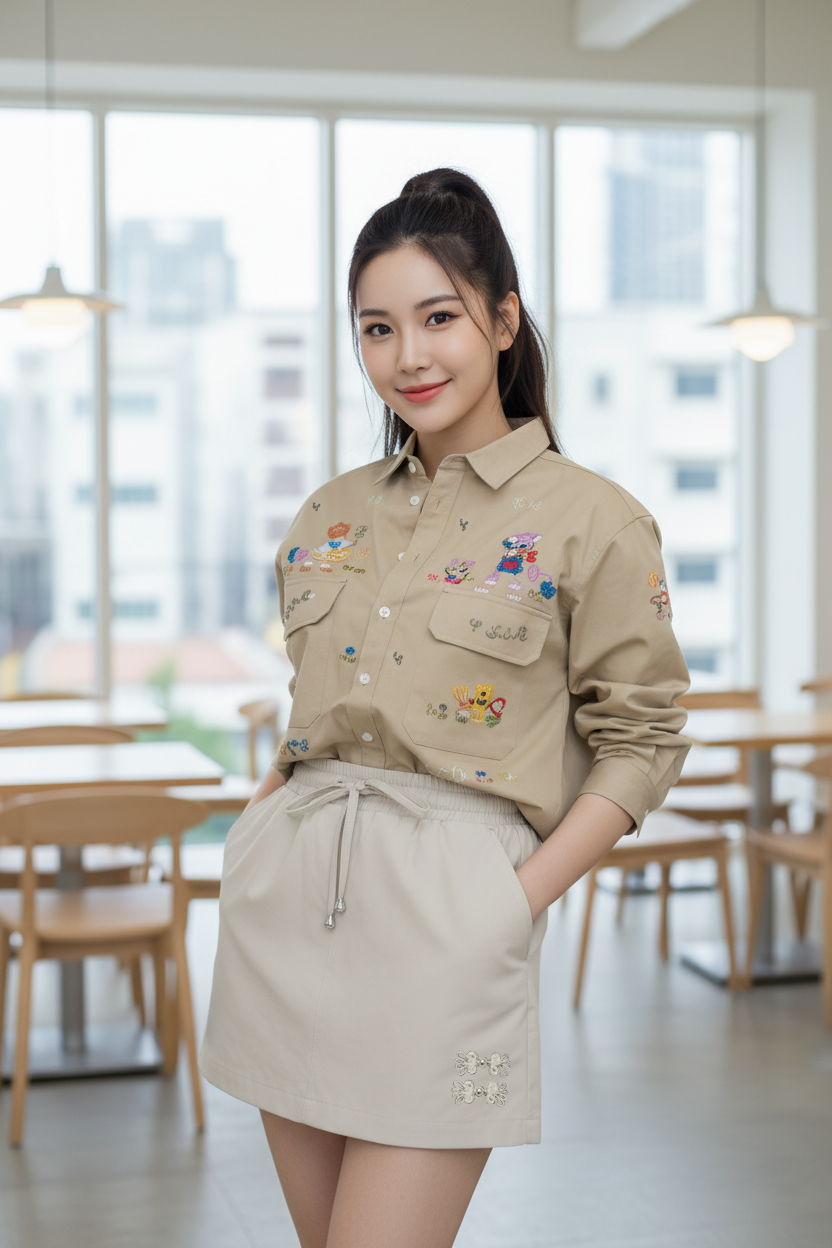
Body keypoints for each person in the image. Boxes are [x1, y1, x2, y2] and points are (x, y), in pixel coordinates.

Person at [199, 168, 690, 1248]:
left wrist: (508, 905)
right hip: (288, 908)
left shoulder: (595, 521)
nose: (406, 357)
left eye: (438, 318)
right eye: (377, 329)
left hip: (448, 918)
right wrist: (257, 829)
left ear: (504, 320)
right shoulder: (328, 512)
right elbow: (313, 709)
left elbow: (641, 740)